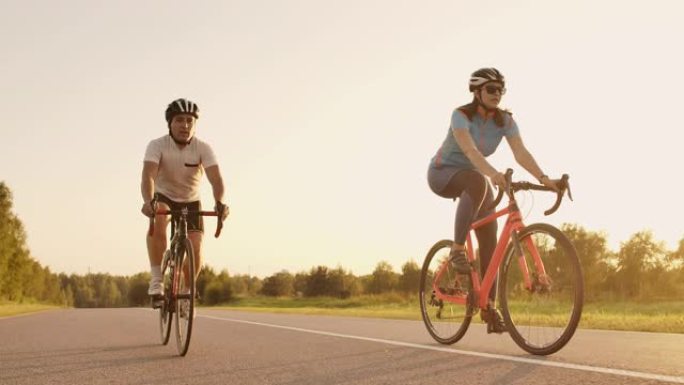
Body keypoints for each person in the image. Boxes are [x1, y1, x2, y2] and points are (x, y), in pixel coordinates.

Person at [427, 68, 560, 332]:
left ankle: (489, 308)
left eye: (500, 90)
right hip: (442, 174)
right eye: (490, 89)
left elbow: (520, 152)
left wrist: (545, 179)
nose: (496, 94)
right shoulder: (461, 115)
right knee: (478, 181)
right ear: (477, 92)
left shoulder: (505, 121)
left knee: (490, 235)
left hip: (475, 175)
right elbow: (469, 150)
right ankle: (456, 251)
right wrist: (493, 174)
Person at [141, 98, 229, 297]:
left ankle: (188, 291)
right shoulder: (157, 145)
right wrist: (148, 201)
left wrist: (219, 202)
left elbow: (216, 179)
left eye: (190, 121)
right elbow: (148, 175)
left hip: (191, 200)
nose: (185, 125)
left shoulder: (203, 148)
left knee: (196, 245)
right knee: (159, 219)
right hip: (164, 195)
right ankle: (156, 280)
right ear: (170, 123)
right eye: (180, 120)